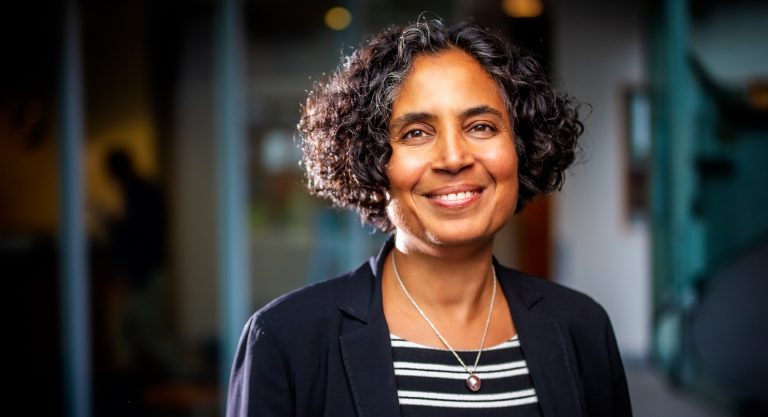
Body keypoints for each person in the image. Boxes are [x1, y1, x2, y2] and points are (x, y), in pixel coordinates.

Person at [227, 19, 632, 417]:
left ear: (522, 147)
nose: (454, 158)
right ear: (372, 162)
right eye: (416, 133)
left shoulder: (583, 329)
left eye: (481, 126)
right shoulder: (285, 340)